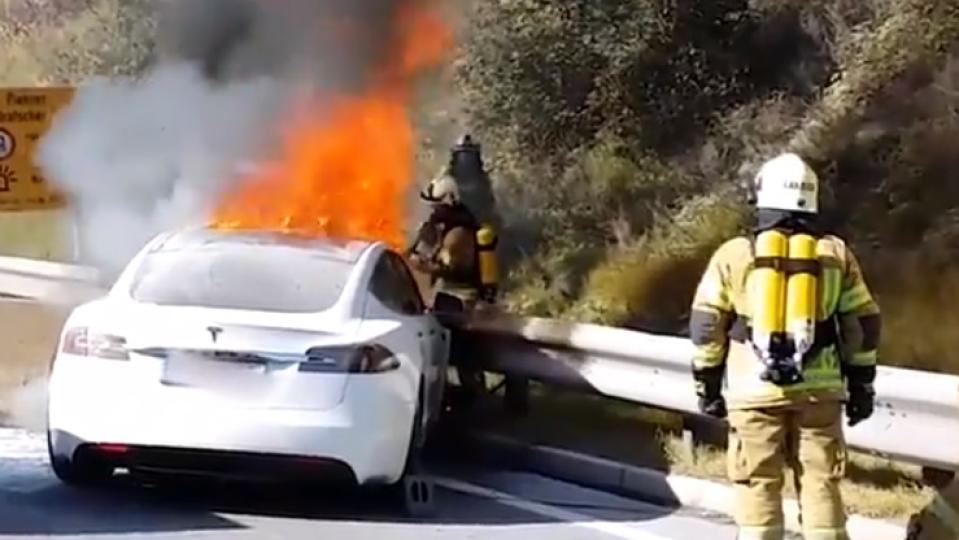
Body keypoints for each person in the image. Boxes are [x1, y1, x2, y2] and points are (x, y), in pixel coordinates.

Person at [689, 152, 881, 540]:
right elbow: (864, 324)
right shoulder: (835, 254)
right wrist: (861, 384)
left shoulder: (735, 255)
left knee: (758, 483)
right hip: (819, 395)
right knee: (821, 482)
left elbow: (706, 324)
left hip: (753, 394)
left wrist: (707, 385)